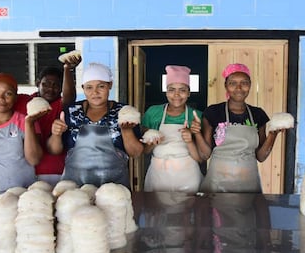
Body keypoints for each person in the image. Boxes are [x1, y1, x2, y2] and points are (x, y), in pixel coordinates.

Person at [0, 56, 79, 186]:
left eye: (56, 85)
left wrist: (67, 69)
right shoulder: (25, 101)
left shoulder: (60, 105)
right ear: (38, 84)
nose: (50, 88)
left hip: (53, 168)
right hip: (25, 173)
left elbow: (69, 97)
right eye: (45, 84)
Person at [47, 62, 144, 189]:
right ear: (83, 88)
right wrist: (56, 134)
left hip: (114, 188)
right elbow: (54, 150)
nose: (95, 92)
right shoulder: (71, 112)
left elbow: (136, 153)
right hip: (75, 188)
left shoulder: (124, 112)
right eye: (89, 87)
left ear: (110, 85)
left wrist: (126, 131)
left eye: (101, 86)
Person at [194, 63, 285, 193]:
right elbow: (204, 154)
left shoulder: (258, 114)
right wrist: (197, 133)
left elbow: (261, 156)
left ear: (250, 85)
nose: (239, 88)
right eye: (232, 83)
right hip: (217, 184)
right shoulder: (213, 112)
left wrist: (273, 134)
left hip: (249, 183)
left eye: (244, 83)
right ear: (226, 86)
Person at [142, 65, 203, 193]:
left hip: (188, 175)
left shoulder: (196, 116)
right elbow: (145, 151)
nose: (176, 95)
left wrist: (190, 140)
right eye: (171, 89)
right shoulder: (153, 113)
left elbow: (200, 158)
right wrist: (153, 142)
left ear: (189, 92)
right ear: (166, 91)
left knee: (187, 210)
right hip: (158, 175)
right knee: (158, 210)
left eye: (182, 90)